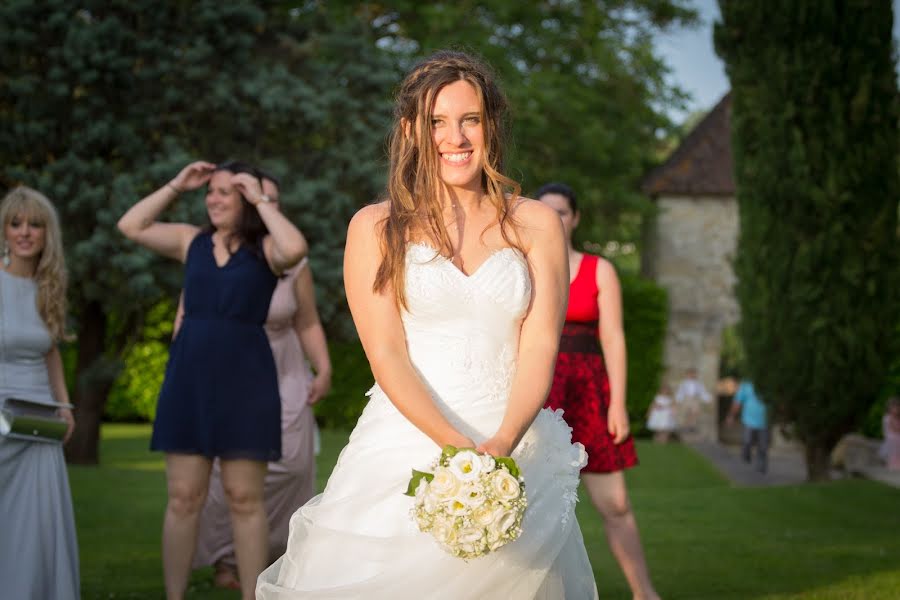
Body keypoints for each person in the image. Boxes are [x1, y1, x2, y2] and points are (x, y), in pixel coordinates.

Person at [258, 50, 597, 599]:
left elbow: (539, 343)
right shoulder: (375, 227)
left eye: (470, 120)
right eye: (437, 121)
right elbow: (386, 352)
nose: (455, 137)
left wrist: (501, 446)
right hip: (405, 438)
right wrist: (455, 450)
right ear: (411, 130)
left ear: (491, 126)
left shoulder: (536, 224)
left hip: (513, 443)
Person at [117, 161, 308, 600]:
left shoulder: (267, 251)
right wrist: (176, 184)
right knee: (184, 497)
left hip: (247, 384)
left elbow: (296, 246)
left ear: (245, 199)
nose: (214, 199)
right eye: (211, 192)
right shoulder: (192, 241)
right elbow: (131, 225)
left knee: (245, 499)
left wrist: (260, 198)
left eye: (226, 192)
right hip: (190, 380)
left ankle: (251, 595)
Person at [182, 173, 332, 590]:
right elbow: (187, 312)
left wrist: (323, 368)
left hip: (282, 365)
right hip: (227, 365)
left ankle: (281, 557)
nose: (268, 204)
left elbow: (308, 321)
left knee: (291, 463)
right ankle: (226, 559)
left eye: (273, 199)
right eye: (259, 197)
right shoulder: (214, 253)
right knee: (222, 472)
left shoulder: (289, 259)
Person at [538, 182, 660, 600]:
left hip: (588, 393)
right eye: (545, 211)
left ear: (575, 218)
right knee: (537, 507)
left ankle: (644, 593)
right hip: (539, 392)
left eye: (562, 212)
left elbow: (613, 338)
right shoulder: (521, 266)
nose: (554, 219)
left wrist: (619, 404)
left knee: (617, 504)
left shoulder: (599, 269)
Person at [0, 186, 79, 598]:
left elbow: (51, 353)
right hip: (0, 413)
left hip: (40, 418)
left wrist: (64, 405)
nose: (25, 232)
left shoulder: (50, 285)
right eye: (16, 224)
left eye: (35, 224)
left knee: (38, 519)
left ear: (48, 233)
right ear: (4, 231)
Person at [726, 379, 768, 473]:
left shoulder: (768, 384)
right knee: (747, 441)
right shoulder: (746, 385)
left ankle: (761, 468)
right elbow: (737, 402)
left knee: (763, 446)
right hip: (748, 420)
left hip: (764, 421)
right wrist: (731, 416)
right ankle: (746, 458)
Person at [675, 367, 712, 433]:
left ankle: (691, 425)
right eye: (690, 374)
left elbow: (702, 392)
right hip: (686, 399)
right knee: (686, 412)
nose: (692, 375)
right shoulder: (684, 383)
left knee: (695, 412)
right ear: (687, 375)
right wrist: (678, 401)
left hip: (694, 399)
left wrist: (708, 400)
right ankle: (685, 426)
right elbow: (680, 392)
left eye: (693, 374)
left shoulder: (698, 383)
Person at [879, 397, 900, 470]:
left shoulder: (896, 418)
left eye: (897, 408)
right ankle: (893, 463)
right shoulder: (888, 417)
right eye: (894, 408)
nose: (896, 410)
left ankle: (897, 461)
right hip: (891, 436)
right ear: (889, 409)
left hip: (895, 436)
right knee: (897, 440)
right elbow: (895, 428)